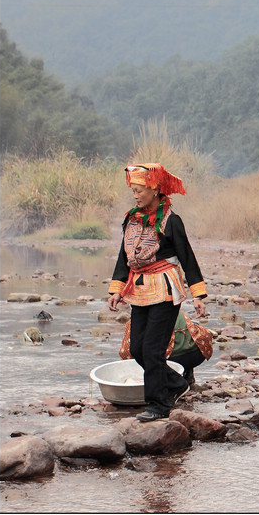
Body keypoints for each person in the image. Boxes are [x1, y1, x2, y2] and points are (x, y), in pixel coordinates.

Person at [108, 163, 208, 422]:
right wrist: (117, 289)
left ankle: (159, 403)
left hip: (164, 288)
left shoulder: (171, 221)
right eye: (134, 191)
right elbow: (124, 257)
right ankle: (175, 383)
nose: (136, 196)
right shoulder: (131, 220)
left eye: (140, 190)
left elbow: (187, 257)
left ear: (154, 190)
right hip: (139, 289)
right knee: (138, 348)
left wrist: (198, 294)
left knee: (153, 350)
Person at [120, 311, 211, 389]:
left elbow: (126, 352)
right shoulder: (177, 311)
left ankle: (171, 383)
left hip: (168, 362)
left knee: (145, 354)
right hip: (197, 355)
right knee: (181, 342)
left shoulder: (138, 319)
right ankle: (187, 374)